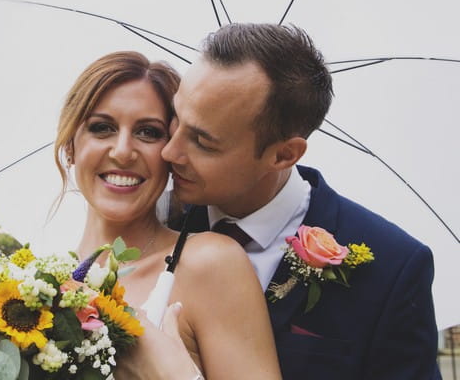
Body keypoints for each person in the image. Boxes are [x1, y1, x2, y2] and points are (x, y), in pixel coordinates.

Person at [119, 23, 441, 379]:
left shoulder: (392, 268)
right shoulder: (153, 222)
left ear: (284, 155)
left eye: (203, 143)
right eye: (175, 119)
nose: (169, 150)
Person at [53, 51, 282, 379]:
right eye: (102, 127)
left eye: (148, 132)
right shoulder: (40, 284)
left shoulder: (209, 264)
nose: (122, 151)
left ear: (171, 154)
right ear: (70, 145)